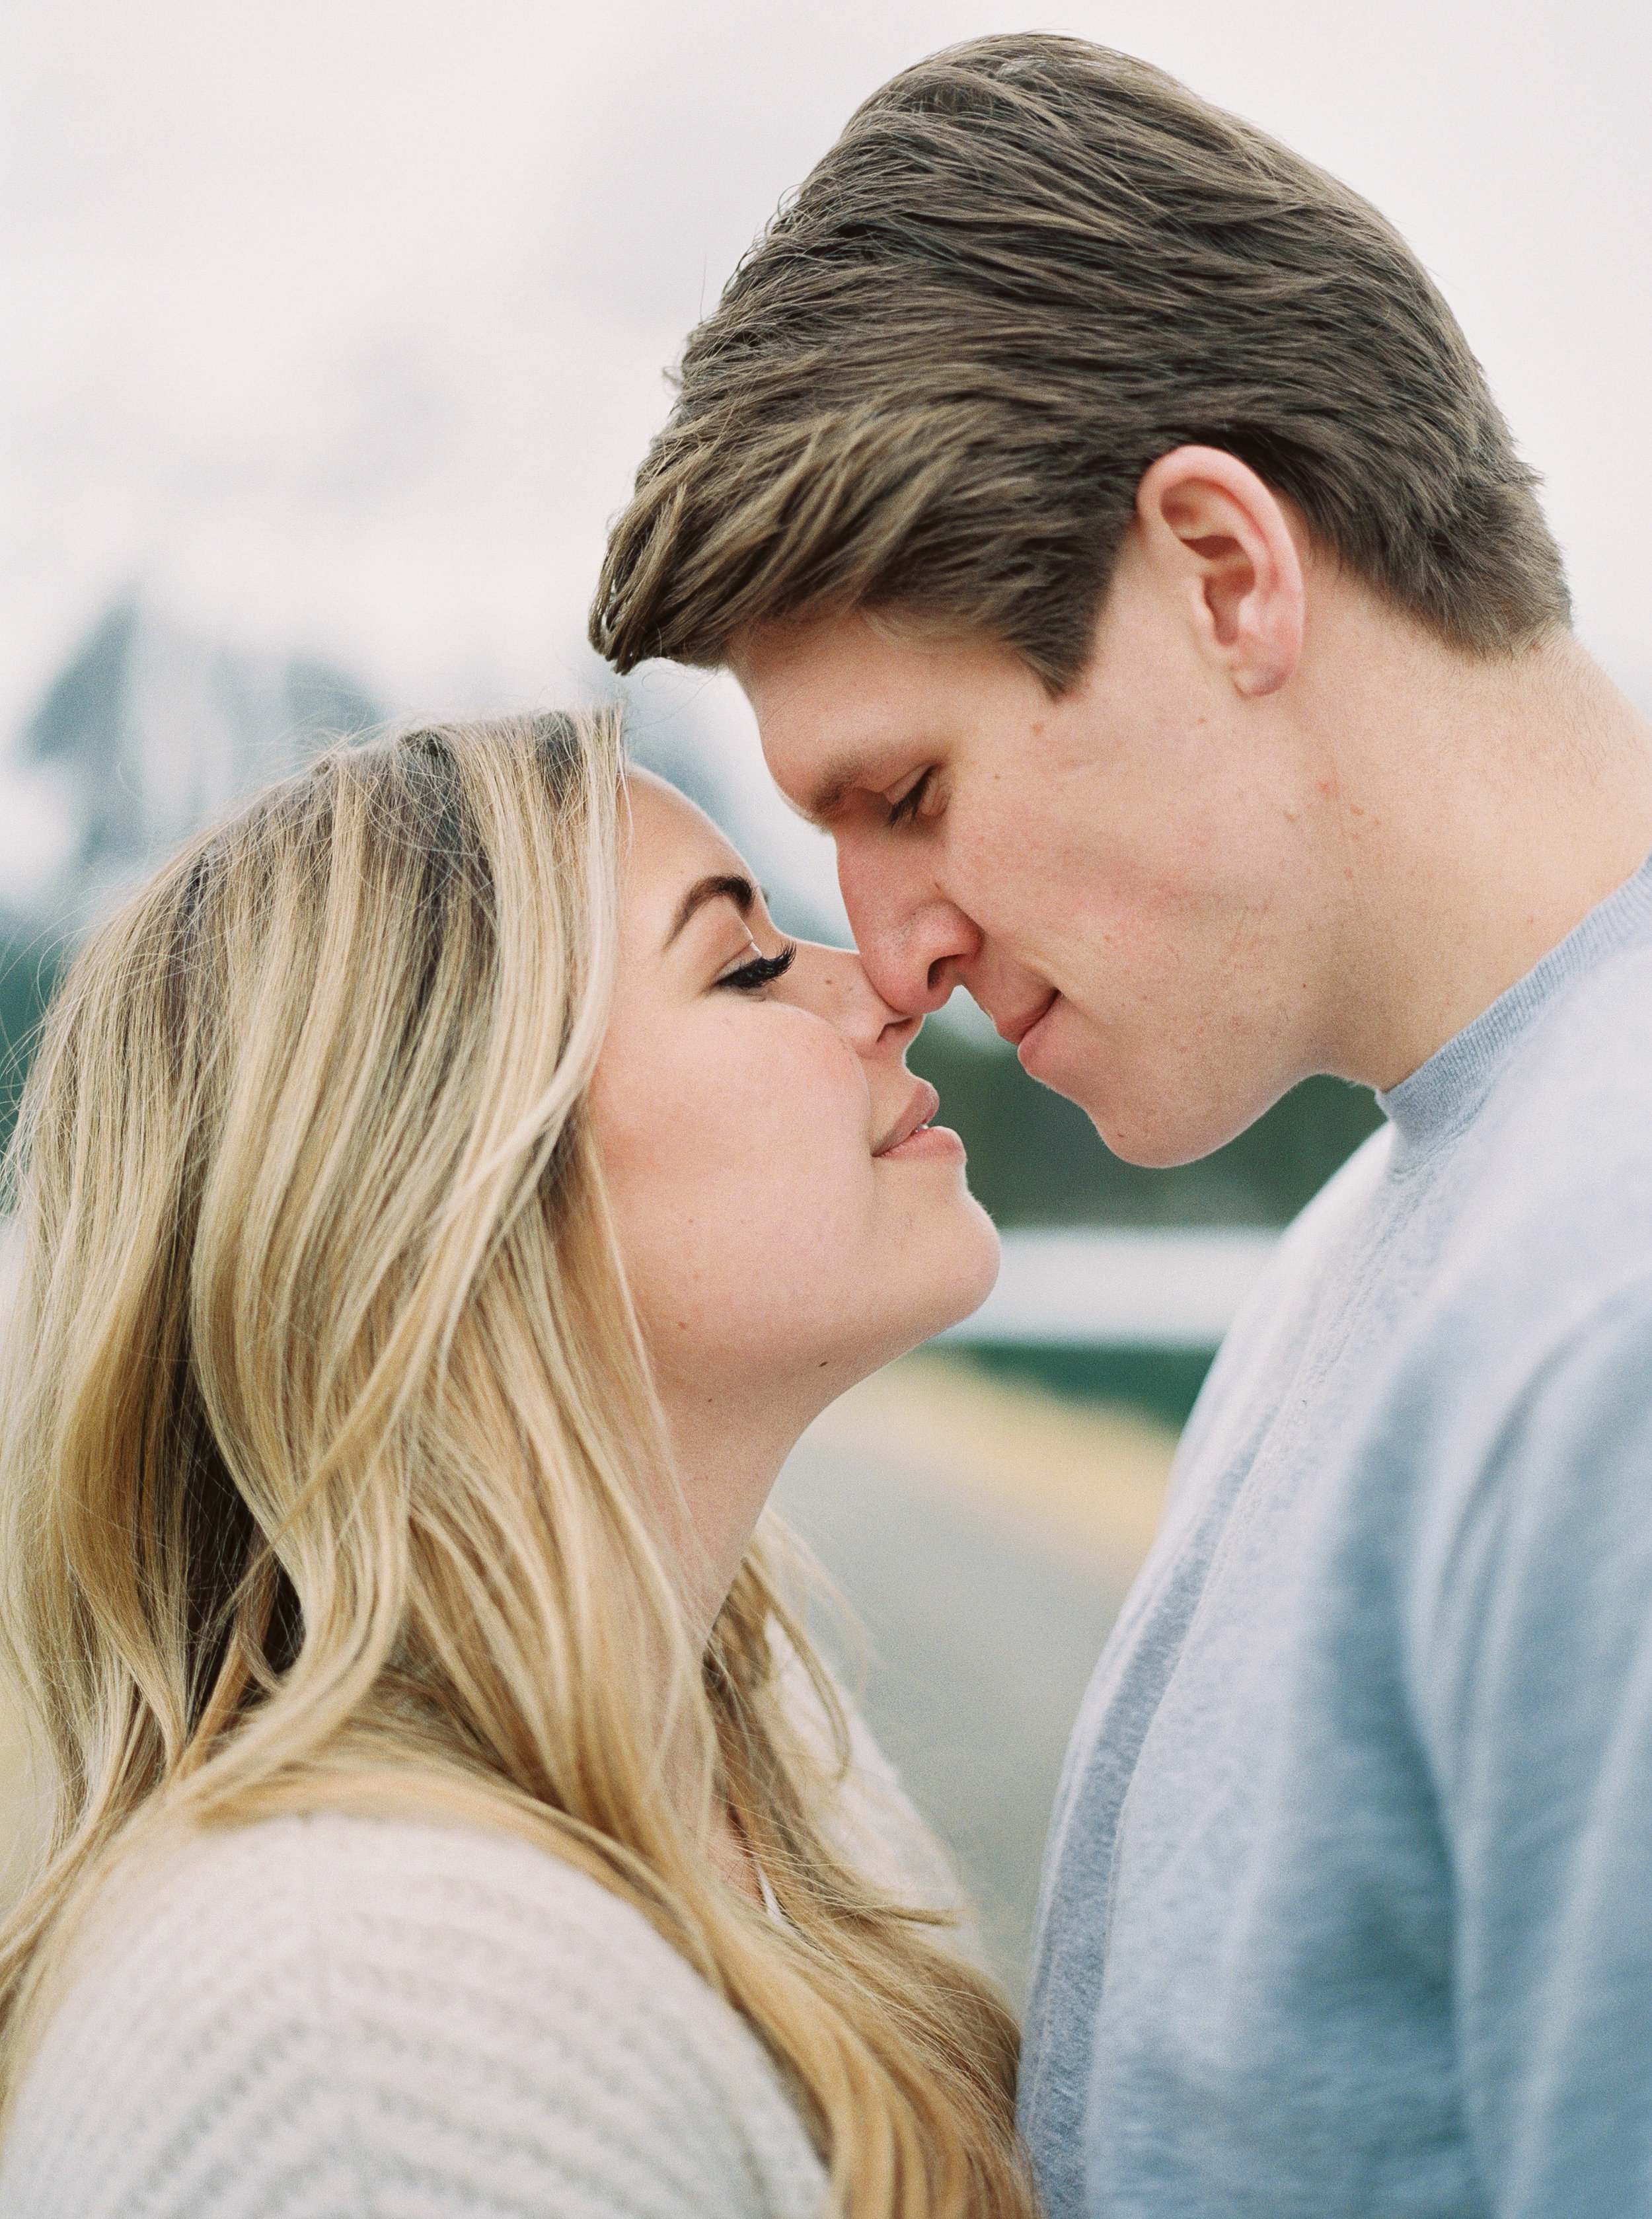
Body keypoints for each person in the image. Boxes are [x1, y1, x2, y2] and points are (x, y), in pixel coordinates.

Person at [590, 32, 1652, 2219]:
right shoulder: (1400, 1233)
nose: (893, 956)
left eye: (910, 796)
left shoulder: (1613, 1315)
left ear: (1221, 568)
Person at [0, 710, 1041, 2219]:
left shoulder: (763, 1767)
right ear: (450, 1197)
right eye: (744, 963)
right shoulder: (375, 2052)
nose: (883, 984)